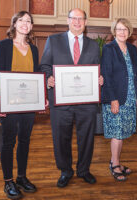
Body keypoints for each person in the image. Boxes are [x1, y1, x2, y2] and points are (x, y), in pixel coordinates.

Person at [41, 8, 103, 188]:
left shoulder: (93, 45)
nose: (77, 22)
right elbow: (44, 64)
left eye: (81, 19)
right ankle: (65, 171)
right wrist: (48, 77)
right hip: (60, 101)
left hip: (86, 102)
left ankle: (84, 170)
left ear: (85, 22)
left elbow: (97, 68)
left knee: (87, 137)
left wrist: (100, 78)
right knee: (61, 138)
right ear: (68, 20)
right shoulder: (54, 40)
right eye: (74, 19)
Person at [0, 11, 39, 199]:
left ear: (31, 26)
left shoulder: (34, 49)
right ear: (14, 24)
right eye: (21, 20)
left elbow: (36, 76)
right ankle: (8, 181)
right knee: (8, 141)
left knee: (25, 141)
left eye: (28, 21)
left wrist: (40, 96)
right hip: (9, 102)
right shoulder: (3, 45)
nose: (24, 24)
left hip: (28, 103)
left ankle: (21, 177)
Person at [101, 18, 137, 181]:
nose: (122, 32)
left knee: (123, 132)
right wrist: (113, 99)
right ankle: (115, 164)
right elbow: (107, 75)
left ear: (129, 31)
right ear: (114, 31)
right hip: (116, 97)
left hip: (130, 96)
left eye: (125, 29)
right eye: (119, 29)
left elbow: (136, 72)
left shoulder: (132, 48)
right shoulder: (109, 48)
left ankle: (115, 161)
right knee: (117, 132)